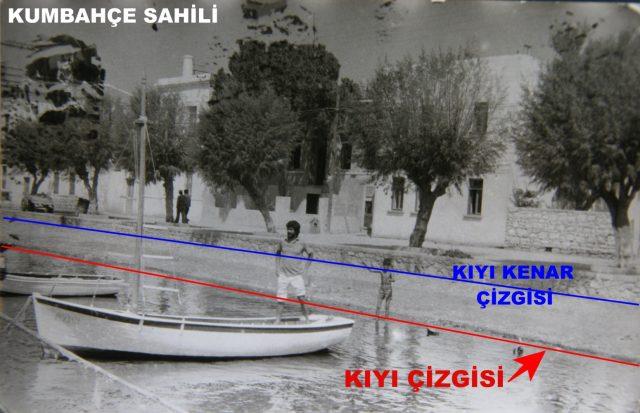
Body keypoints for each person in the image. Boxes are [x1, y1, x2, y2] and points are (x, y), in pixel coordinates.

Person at [275, 220, 313, 323]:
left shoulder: (302, 243)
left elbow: (311, 254)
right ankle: (277, 320)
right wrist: (277, 267)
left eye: (291, 229)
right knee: (280, 299)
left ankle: (307, 320)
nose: (289, 231)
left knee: (301, 298)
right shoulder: (282, 242)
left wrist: (306, 269)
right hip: (283, 275)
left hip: (296, 275)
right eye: (288, 229)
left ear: (296, 231)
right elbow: (277, 253)